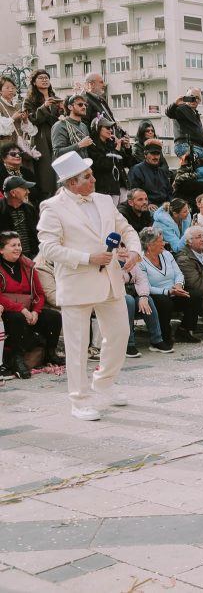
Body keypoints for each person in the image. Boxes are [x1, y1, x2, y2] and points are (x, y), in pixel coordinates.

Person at [38, 151, 143, 421]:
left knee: (120, 334)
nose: (95, 179)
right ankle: (80, 399)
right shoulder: (52, 207)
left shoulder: (104, 200)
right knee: (77, 345)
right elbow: (49, 249)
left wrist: (133, 250)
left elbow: (126, 228)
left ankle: (104, 382)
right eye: (88, 176)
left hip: (109, 280)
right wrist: (87, 259)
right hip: (76, 283)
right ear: (72, 182)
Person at [0, 230, 63, 379]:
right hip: (8, 313)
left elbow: (39, 293)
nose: (17, 248)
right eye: (13, 245)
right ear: (1, 249)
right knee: (17, 318)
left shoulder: (28, 266)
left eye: (19, 245)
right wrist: (20, 309)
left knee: (53, 316)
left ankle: (49, 353)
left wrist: (35, 311)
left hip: (28, 311)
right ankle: (17, 359)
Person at [138, 226, 202, 344]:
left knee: (195, 295)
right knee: (164, 302)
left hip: (175, 290)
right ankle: (163, 335)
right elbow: (144, 286)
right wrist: (168, 292)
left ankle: (184, 330)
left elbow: (178, 273)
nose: (164, 243)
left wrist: (178, 285)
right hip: (156, 294)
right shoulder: (140, 260)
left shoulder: (167, 254)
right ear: (150, 245)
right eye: (160, 241)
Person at [122, 254, 173, 358]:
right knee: (129, 300)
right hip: (116, 297)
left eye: (124, 246)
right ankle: (128, 343)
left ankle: (157, 340)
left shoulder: (132, 261)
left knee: (148, 300)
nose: (122, 250)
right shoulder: (110, 263)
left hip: (133, 292)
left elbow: (142, 280)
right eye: (118, 247)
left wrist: (143, 296)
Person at [24, 69, 60, 197]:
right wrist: (44, 107)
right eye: (41, 78)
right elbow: (33, 120)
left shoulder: (55, 98)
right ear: (34, 82)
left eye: (46, 78)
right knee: (46, 171)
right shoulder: (29, 100)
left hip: (56, 135)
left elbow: (59, 118)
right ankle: (46, 197)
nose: (45, 80)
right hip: (41, 137)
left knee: (59, 167)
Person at [85, 115, 133, 202]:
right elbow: (104, 165)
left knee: (122, 213)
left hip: (121, 186)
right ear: (98, 129)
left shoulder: (111, 143)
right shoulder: (92, 145)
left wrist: (127, 147)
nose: (111, 130)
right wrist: (117, 149)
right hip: (106, 189)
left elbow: (128, 163)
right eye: (107, 127)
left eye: (111, 128)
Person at [0, 175, 39, 258]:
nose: (28, 192)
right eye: (24, 189)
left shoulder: (30, 209)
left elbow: (38, 233)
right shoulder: (1, 209)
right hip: (6, 259)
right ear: (13, 193)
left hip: (32, 257)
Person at [165, 88, 203, 160]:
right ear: (186, 98)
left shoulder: (195, 113)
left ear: (200, 101)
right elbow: (169, 113)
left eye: (197, 98)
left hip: (198, 147)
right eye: (191, 97)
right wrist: (175, 104)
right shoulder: (181, 109)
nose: (194, 99)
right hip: (186, 145)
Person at [83, 73, 125, 139]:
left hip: (114, 142)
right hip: (102, 145)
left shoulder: (101, 100)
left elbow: (111, 120)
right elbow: (85, 125)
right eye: (101, 82)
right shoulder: (85, 100)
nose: (104, 85)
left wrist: (123, 135)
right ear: (91, 84)